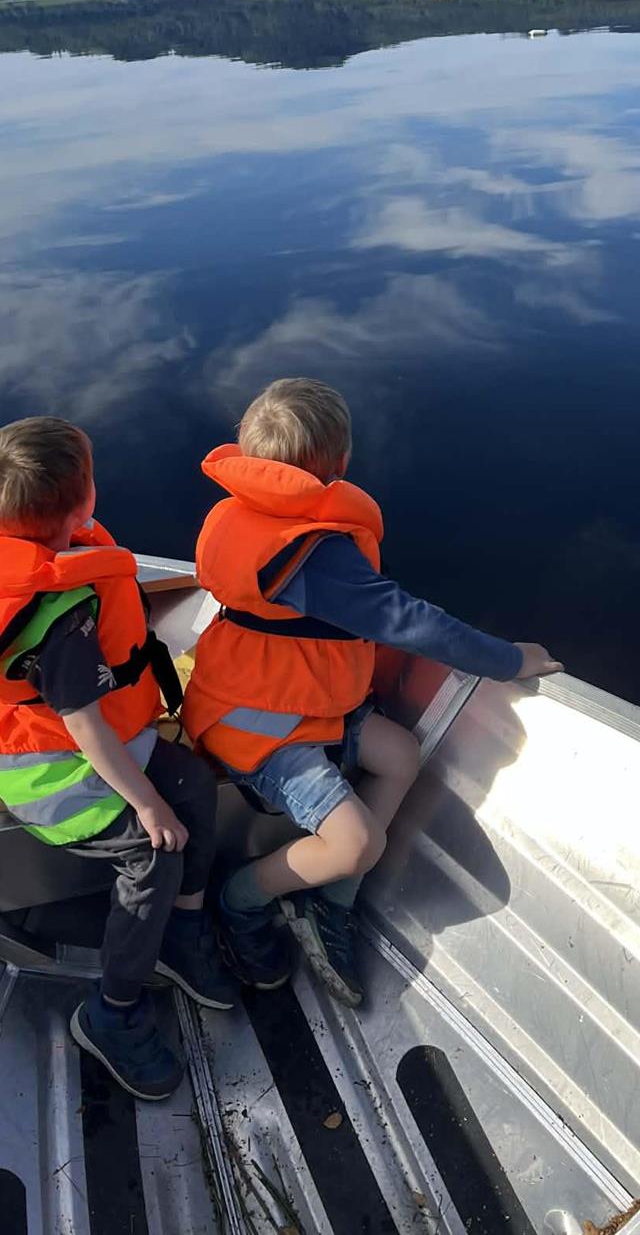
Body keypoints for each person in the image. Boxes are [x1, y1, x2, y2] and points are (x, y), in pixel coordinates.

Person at [181, 378, 562, 1007]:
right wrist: (506, 658)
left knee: (401, 755)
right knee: (359, 840)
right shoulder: (317, 558)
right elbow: (411, 622)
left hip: (296, 697)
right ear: (338, 465)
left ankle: (334, 895)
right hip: (261, 725)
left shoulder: (241, 515)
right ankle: (242, 902)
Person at [0, 416, 235, 1101]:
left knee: (193, 783)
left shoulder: (39, 552)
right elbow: (84, 725)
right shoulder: (61, 617)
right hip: (51, 772)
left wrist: (160, 786)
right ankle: (112, 1012)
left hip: (99, 743)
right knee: (153, 851)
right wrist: (144, 804)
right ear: (82, 502)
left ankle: (182, 932)